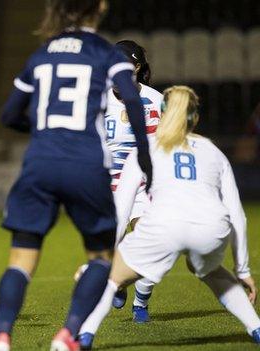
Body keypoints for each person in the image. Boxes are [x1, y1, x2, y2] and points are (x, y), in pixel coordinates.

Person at [0, 1, 153, 350]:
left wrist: (44, 129)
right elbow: (136, 104)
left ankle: (2, 336)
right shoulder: (105, 53)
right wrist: (145, 158)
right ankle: (67, 334)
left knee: (20, 260)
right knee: (101, 258)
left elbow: (9, 115)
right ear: (100, 9)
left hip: (40, 163)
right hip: (86, 165)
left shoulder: (42, 53)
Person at [74, 85, 260, 348]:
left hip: (164, 224)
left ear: (161, 113)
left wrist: (104, 257)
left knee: (114, 277)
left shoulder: (144, 148)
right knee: (210, 271)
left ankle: (85, 335)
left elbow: (122, 210)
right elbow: (237, 215)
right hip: (211, 227)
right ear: (195, 117)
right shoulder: (214, 151)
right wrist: (243, 270)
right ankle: (257, 328)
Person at [102, 39, 162, 322]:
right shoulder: (97, 97)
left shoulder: (155, 100)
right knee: (107, 247)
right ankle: (121, 282)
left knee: (151, 243)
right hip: (108, 186)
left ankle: (141, 302)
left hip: (144, 185)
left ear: (137, 67)